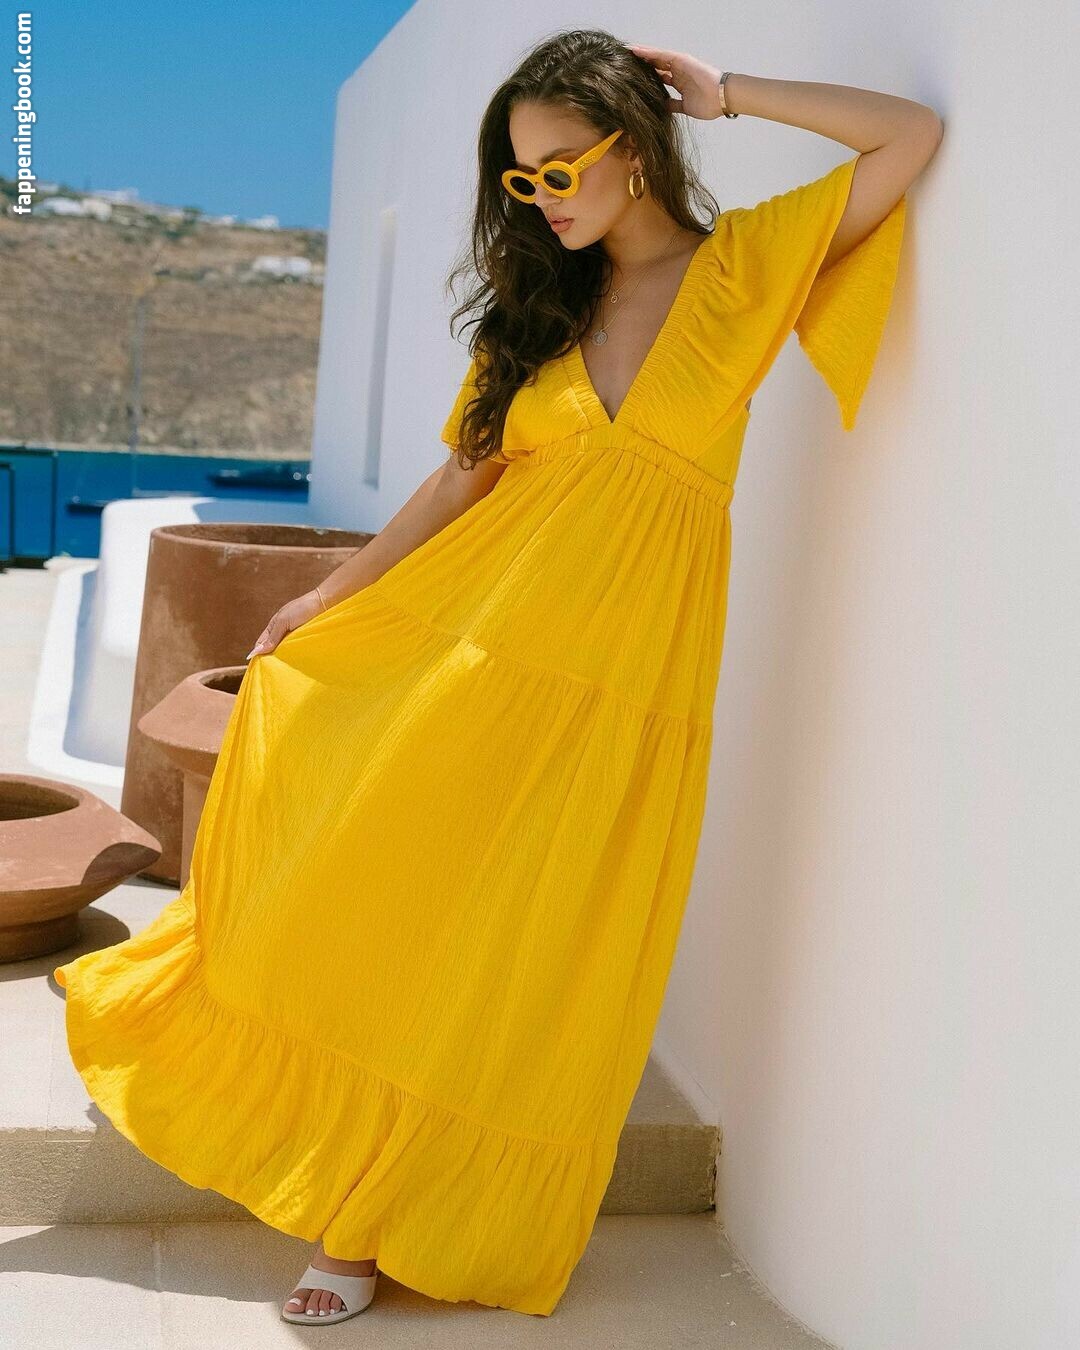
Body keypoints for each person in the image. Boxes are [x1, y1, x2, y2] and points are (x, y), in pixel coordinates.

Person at [53, 29, 940, 1327]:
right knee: (407, 909)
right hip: (476, 650)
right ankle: (347, 1218)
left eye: (562, 167)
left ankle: (430, 1203)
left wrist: (729, 93)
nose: (543, 199)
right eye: (522, 180)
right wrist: (325, 598)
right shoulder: (538, 316)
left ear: (636, 149)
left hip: (625, 682)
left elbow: (908, 136)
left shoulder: (747, 268)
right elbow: (458, 480)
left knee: (521, 951)